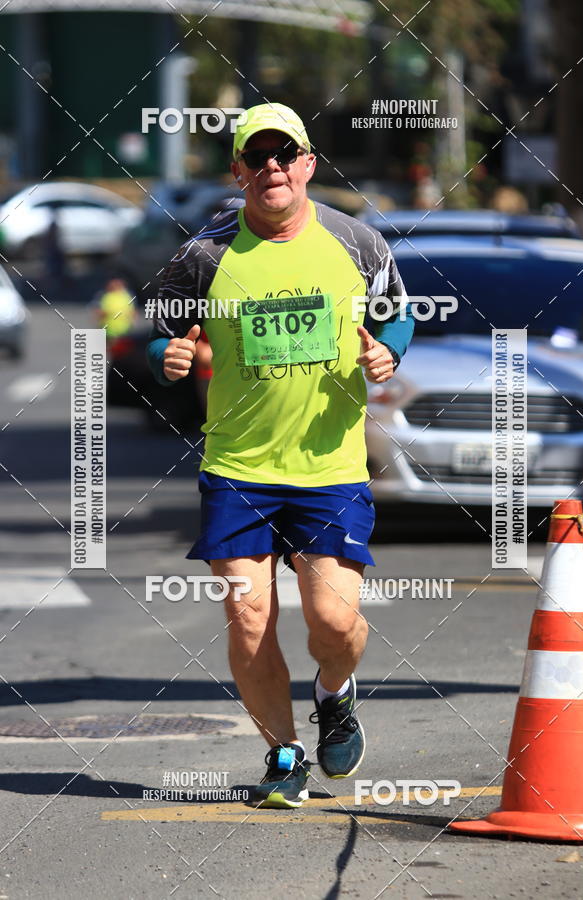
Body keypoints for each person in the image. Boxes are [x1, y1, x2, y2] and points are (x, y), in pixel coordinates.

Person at [146, 103, 414, 808]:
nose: (271, 168)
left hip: (329, 467)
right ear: (237, 172)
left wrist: (391, 348)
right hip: (238, 465)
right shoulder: (202, 254)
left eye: (283, 154)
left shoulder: (356, 242)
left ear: (307, 165)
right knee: (249, 616)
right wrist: (167, 353)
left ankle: (335, 692)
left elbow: (401, 314)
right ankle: (284, 754)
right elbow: (162, 330)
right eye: (255, 157)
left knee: (333, 623)